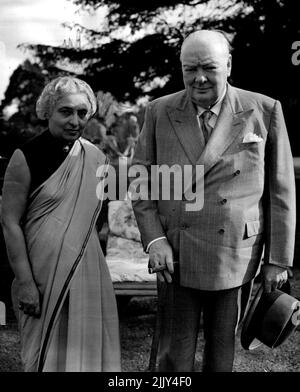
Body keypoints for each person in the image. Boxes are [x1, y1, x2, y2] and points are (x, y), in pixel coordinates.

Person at [131, 30, 296, 372]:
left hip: (235, 254)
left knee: (222, 353)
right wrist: (155, 240)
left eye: (208, 67)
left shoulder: (264, 109)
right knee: (175, 354)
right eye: (189, 69)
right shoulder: (159, 111)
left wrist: (278, 260)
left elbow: (281, 192)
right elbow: (140, 181)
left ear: (229, 65)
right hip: (176, 253)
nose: (199, 78)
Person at [1, 76, 121, 372]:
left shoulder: (96, 158)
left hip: (87, 271)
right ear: (48, 112)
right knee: (42, 355)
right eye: (66, 112)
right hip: (39, 276)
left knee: (87, 354)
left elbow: (96, 218)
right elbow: (9, 222)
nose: (75, 121)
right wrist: (25, 283)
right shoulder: (25, 156)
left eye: (82, 113)